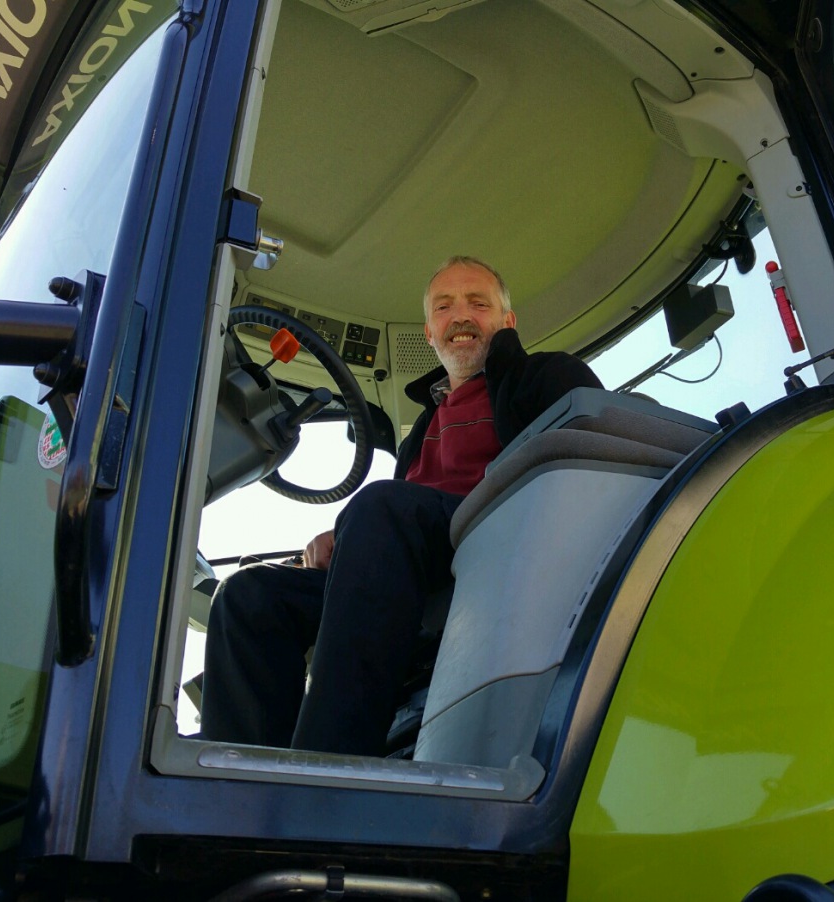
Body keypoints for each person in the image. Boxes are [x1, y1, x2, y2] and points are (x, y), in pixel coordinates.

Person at [201, 256, 602, 756]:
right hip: (406, 571)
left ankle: (324, 765)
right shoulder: (421, 432)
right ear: (430, 332)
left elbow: (590, 460)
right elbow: (390, 522)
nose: (462, 316)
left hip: (496, 550)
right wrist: (347, 542)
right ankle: (235, 786)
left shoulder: (544, 375)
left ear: (507, 322)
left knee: (381, 506)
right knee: (250, 595)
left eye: (479, 303)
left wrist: (374, 520)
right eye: (445, 306)